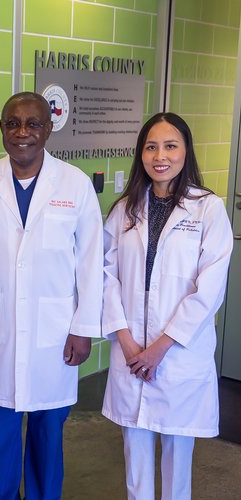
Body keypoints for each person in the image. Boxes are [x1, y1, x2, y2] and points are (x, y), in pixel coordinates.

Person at [0, 92, 104, 499]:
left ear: (49, 128)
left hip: (55, 336)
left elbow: (92, 263)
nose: (22, 132)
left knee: (46, 444)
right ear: (2, 128)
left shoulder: (74, 185)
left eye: (33, 124)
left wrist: (83, 328)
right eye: (13, 123)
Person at [101, 112, 233, 499]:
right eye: (151, 146)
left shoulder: (208, 209)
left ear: (185, 151)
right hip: (131, 351)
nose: (160, 155)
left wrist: (160, 347)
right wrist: (125, 340)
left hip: (176, 353)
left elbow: (208, 290)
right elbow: (105, 277)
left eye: (170, 145)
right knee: (135, 453)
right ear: (141, 153)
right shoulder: (124, 209)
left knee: (177, 455)